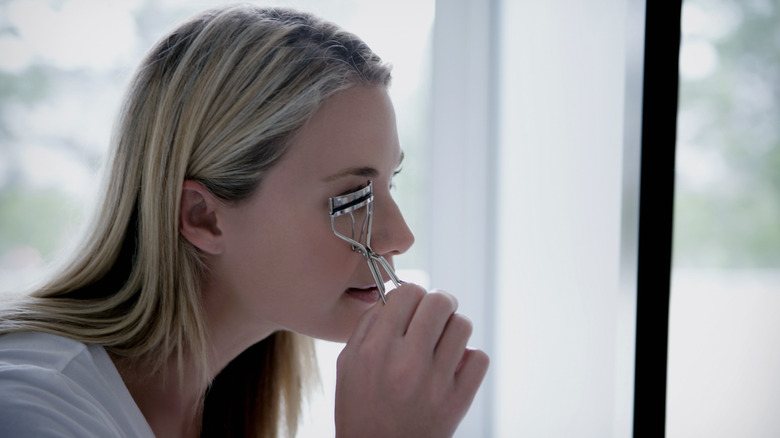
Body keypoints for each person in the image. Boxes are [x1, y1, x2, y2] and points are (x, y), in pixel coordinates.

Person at [0, 5, 489, 437]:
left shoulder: (222, 409)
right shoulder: (30, 410)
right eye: (350, 197)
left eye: (390, 183)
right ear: (203, 217)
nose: (401, 237)